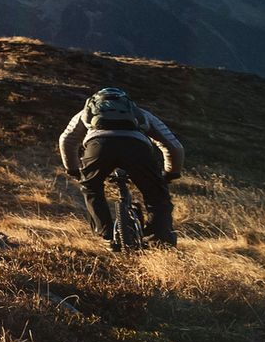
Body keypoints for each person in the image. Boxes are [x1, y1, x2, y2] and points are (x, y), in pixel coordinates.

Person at [57, 87, 184, 247]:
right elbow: (173, 145)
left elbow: (67, 140)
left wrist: (73, 169)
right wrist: (171, 173)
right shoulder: (141, 113)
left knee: (92, 187)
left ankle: (106, 234)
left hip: (98, 147)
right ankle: (159, 238)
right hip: (136, 148)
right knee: (155, 193)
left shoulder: (84, 113)